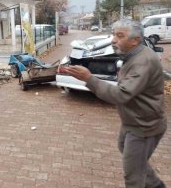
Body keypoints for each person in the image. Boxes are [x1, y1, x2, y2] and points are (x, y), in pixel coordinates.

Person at [64, 19, 167, 188]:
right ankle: (156, 185)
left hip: (144, 127)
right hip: (132, 121)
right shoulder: (132, 55)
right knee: (126, 150)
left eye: (120, 36)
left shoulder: (143, 61)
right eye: (114, 35)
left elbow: (121, 94)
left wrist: (89, 78)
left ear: (136, 40)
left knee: (133, 176)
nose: (113, 40)